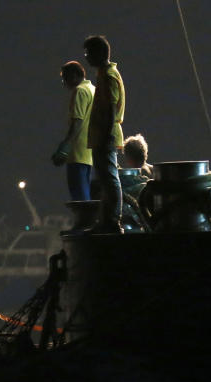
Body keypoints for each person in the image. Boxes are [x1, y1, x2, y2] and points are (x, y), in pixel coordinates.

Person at [84, 35, 125, 234]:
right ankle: (106, 220)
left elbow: (110, 108)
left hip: (105, 136)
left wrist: (107, 135)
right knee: (105, 180)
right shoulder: (104, 74)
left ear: (100, 53)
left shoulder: (108, 76)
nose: (86, 57)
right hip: (102, 135)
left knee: (110, 180)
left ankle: (113, 221)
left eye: (88, 53)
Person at [52, 61, 95, 201]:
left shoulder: (80, 91)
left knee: (79, 197)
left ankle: (85, 222)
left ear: (75, 75)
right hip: (89, 153)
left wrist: (64, 147)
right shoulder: (93, 90)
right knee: (86, 193)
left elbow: (77, 122)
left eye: (65, 78)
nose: (64, 82)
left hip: (77, 152)